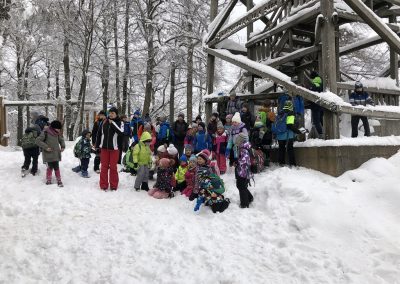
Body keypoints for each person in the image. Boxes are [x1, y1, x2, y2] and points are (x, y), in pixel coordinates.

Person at [95, 107, 124, 190]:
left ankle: (114, 185)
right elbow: (99, 134)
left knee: (113, 167)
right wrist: (97, 145)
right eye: (110, 113)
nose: (111, 114)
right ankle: (103, 185)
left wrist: (113, 123)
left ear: (116, 114)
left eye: (113, 113)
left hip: (114, 149)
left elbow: (121, 132)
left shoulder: (120, 122)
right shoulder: (104, 122)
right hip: (104, 148)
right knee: (104, 167)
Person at [273, 101, 306, 166]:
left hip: (279, 135)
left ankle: (281, 163)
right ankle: (292, 164)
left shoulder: (280, 113)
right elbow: (289, 125)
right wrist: (298, 131)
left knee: (281, 149)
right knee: (290, 149)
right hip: (288, 135)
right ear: (291, 106)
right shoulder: (290, 113)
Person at [36, 120, 65, 187]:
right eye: (57, 128)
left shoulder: (57, 133)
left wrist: (63, 146)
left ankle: (59, 179)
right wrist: (46, 147)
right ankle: (48, 179)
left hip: (56, 153)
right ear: (53, 127)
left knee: (56, 167)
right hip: (48, 153)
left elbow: (61, 140)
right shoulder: (45, 132)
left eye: (59, 129)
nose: (59, 130)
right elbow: (37, 141)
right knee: (50, 167)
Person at [232, 133, 254, 208]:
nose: (236, 140)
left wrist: (237, 162)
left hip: (243, 172)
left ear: (241, 140)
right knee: (241, 186)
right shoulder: (242, 147)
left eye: (237, 139)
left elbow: (245, 160)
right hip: (242, 171)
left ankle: (244, 204)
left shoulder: (243, 149)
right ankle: (249, 198)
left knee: (241, 186)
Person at [309, 71, 324, 138]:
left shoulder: (314, 84)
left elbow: (311, 95)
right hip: (322, 105)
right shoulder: (321, 83)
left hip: (315, 106)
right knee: (321, 120)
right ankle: (324, 132)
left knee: (316, 121)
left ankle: (321, 134)